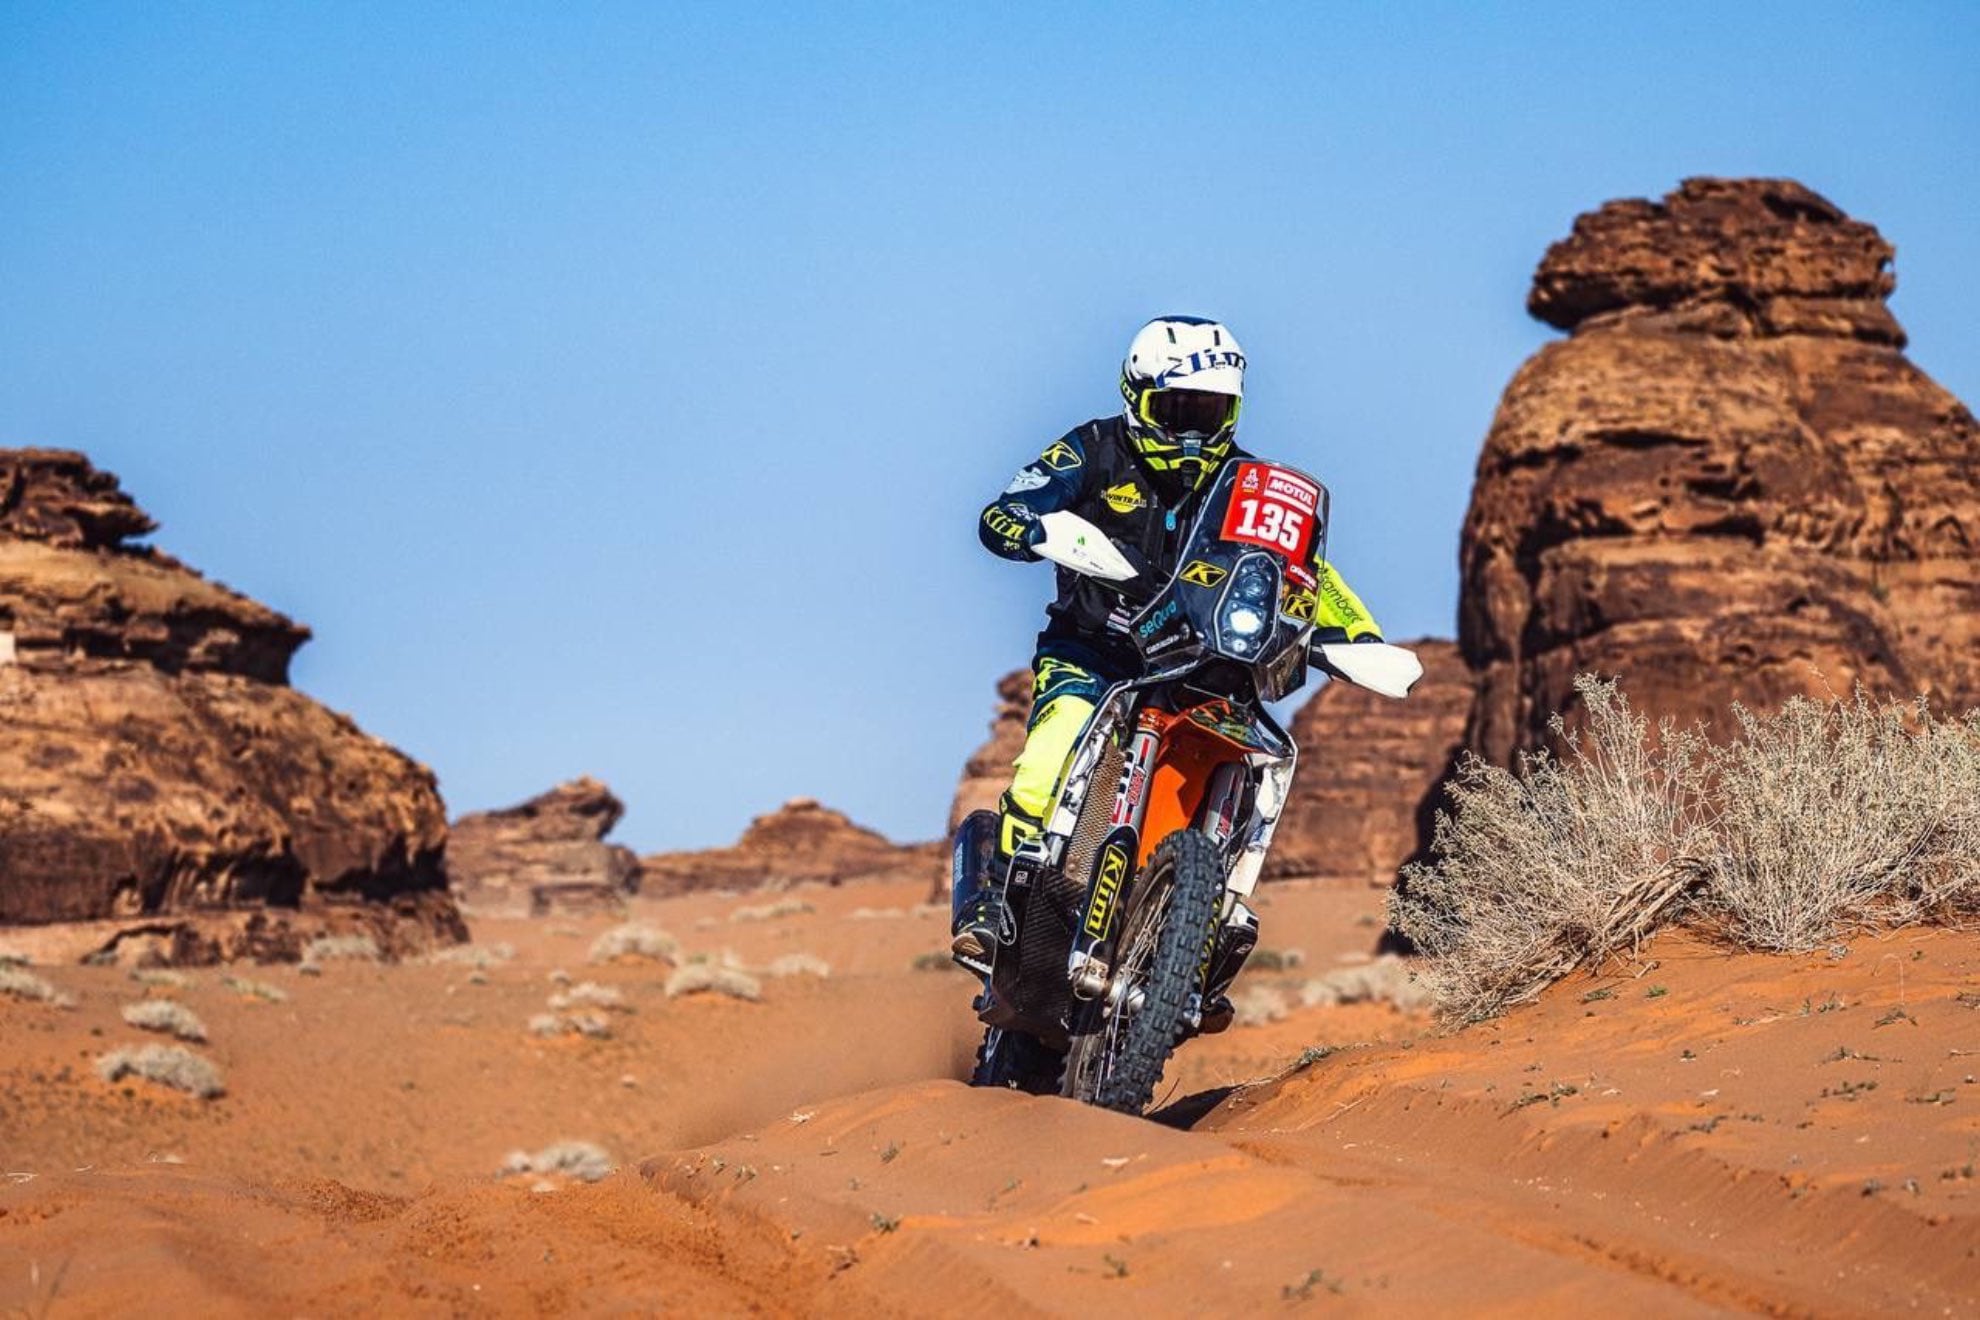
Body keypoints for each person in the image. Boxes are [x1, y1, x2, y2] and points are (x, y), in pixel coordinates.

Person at [954, 315, 1384, 959]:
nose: (1190, 432)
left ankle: (1216, 915)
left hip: (1200, 663)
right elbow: (1019, 501)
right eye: (1174, 408)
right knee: (1051, 749)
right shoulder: (1093, 449)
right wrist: (1021, 523)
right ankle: (996, 905)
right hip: (1095, 652)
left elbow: (1306, 569)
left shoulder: (1249, 486)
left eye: (1208, 414)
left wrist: (1359, 634)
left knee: (1254, 755)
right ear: (1136, 395)